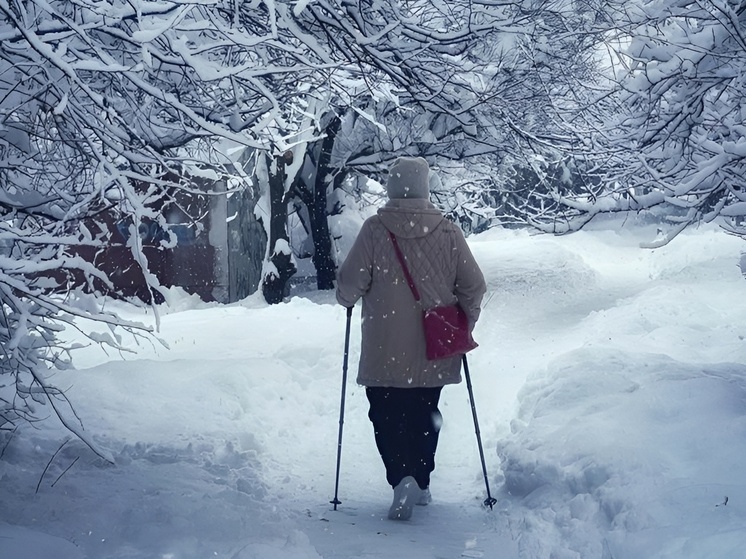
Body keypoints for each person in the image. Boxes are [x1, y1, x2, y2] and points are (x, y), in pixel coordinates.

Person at [335, 156, 486, 521]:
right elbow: (474, 286)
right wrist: (463, 322)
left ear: (391, 186)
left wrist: (348, 298)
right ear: (424, 187)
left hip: (385, 347)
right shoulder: (449, 231)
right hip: (432, 349)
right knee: (424, 414)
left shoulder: (374, 229)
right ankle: (420, 478)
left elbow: (348, 286)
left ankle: (400, 477)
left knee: (386, 415)